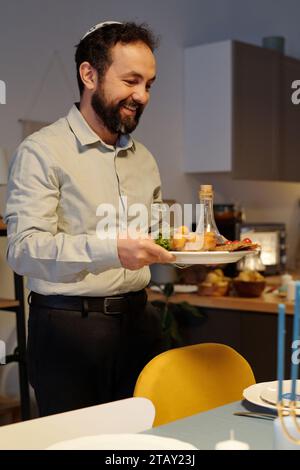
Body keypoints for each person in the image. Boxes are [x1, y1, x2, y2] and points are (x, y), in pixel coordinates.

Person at [4, 21, 174, 417]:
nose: (141, 95)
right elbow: (24, 250)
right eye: (131, 80)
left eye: (149, 84)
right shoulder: (42, 152)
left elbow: (159, 238)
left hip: (140, 324)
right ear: (89, 74)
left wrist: (191, 245)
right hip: (68, 330)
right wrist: (111, 250)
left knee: (144, 443)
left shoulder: (145, 160)